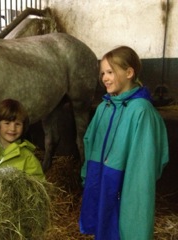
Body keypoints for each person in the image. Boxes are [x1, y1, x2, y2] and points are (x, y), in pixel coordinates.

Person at [79, 46, 169, 240]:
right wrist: (88, 176)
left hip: (127, 187)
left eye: (110, 72)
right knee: (104, 227)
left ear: (129, 73)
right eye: (102, 73)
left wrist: (135, 194)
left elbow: (144, 164)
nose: (104, 78)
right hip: (104, 180)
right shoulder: (105, 106)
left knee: (124, 228)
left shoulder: (141, 111)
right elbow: (90, 142)